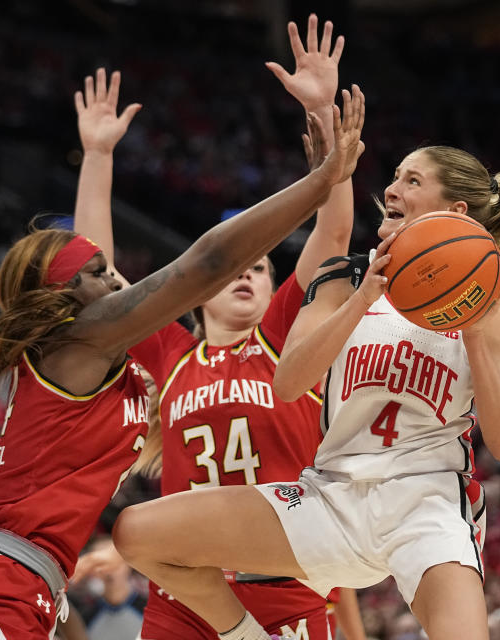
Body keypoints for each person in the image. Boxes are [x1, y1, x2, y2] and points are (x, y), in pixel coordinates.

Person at [0, 81, 366, 640]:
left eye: (262, 270)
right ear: (66, 297)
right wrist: (319, 181)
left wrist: (99, 154)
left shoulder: (110, 359)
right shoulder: (88, 341)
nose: (118, 279)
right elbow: (208, 261)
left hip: (38, 588)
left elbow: (328, 241)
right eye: (102, 274)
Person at [113, 144, 500, 640]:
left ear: (455, 213)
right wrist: (366, 297)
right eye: (395, 177)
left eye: (411, 181)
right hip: (331, 496)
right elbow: (289, 381)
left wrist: (469, 320)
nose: (390, 188)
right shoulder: (344, 277)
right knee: (137, 534)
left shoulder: (484, 299)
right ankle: (246, 637)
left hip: (426, 503)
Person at [71, 16, 366, 640]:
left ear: (272, 289)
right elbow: (93, 276)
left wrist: (319, 113)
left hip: (285, 588)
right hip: (189, 594)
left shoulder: (286, 334)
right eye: (238, 264)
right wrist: (97, 156)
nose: (247, 273)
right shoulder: (171, 352)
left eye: (261, 268)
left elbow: (333, 236)